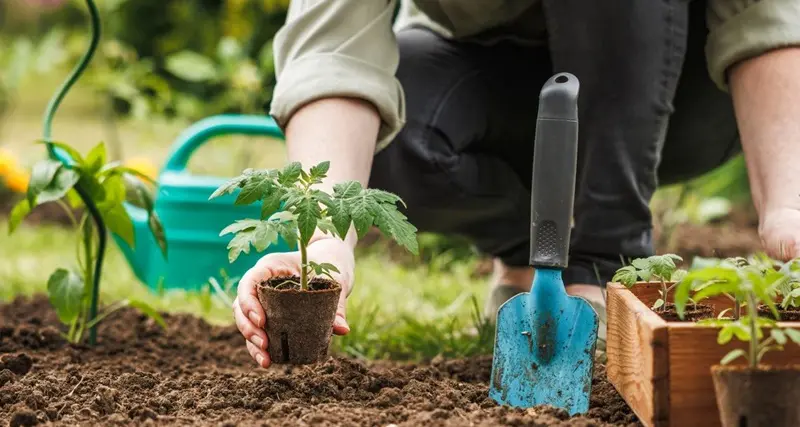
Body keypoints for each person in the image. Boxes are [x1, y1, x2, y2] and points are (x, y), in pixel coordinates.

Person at [232, 0, 800, 368]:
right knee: (398, 138)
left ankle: (603, 266)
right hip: (491, 76)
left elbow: (766, 18)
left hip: (681, 92)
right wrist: (329, 240)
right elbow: (334, 49)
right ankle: (534, 256)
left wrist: (789, 207)